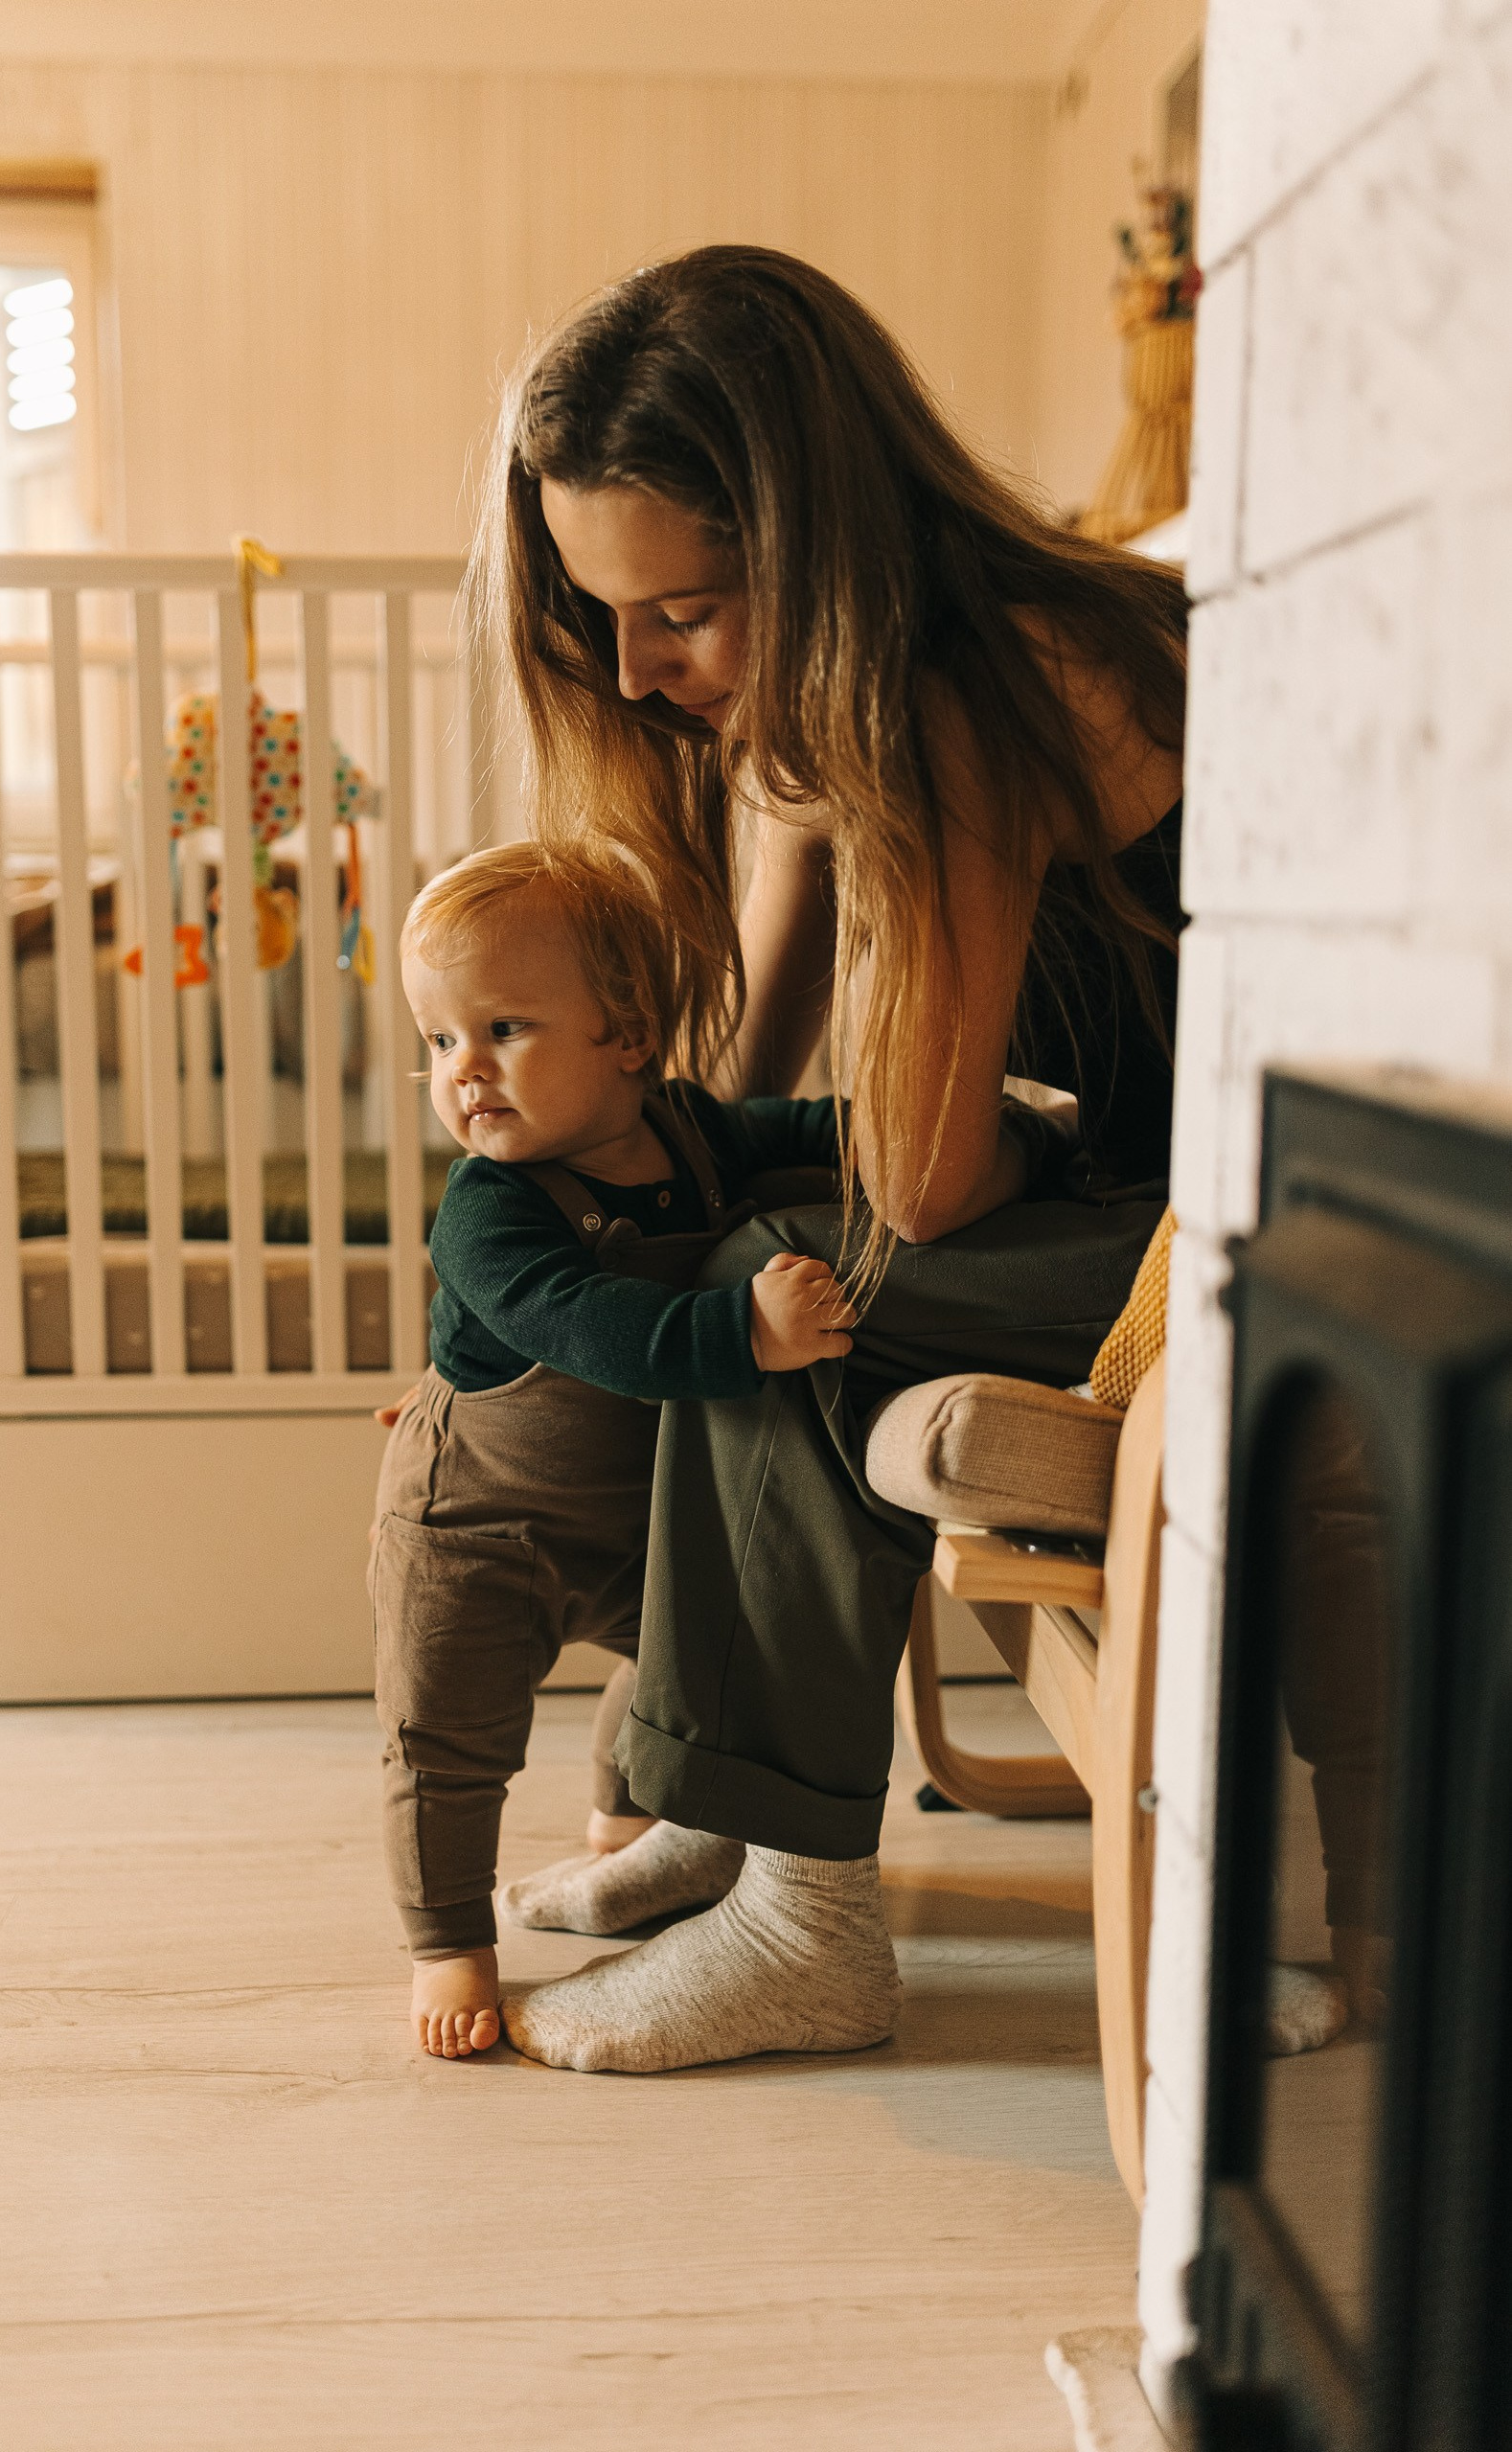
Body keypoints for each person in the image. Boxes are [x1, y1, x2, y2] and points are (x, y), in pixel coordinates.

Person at [471, 243, 1188, 2074]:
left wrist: (703, 1245)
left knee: (783, 1282)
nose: (634, 671)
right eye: (604, 611)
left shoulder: (974, 689)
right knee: (748, 1245)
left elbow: (927, 1187)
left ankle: (804, 1914)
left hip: (1229, 1234)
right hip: (1131, 1197)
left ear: (819, 550)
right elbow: (751, 1081)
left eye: (685, 610)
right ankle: (718, 1808)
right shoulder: (868, 681)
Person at [372, 840, 852, 2058]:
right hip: (478, 1521)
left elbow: (793, 1126)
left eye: (504, 1029)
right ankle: (448, 1941)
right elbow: (597, 1329)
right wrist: (744, 1328)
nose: (464, 1073)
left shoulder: (684, 1133)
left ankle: (621, 1831)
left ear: (628, 1035)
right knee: (447, 1735)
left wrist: (897, 1125)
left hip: (632, 1510)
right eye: (438, 1043)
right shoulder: (488, 1209)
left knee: (687, 1655)